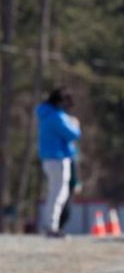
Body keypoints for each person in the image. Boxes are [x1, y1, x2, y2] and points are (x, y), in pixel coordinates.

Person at [35, 88, 81, 237]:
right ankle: (51, 227)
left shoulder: (45, 115)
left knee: (54, 192)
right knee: (58, 193)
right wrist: (75, 124)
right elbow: (73, 134)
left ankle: (50, 225)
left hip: (48, 158)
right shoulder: (57, 117)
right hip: (58, 158)